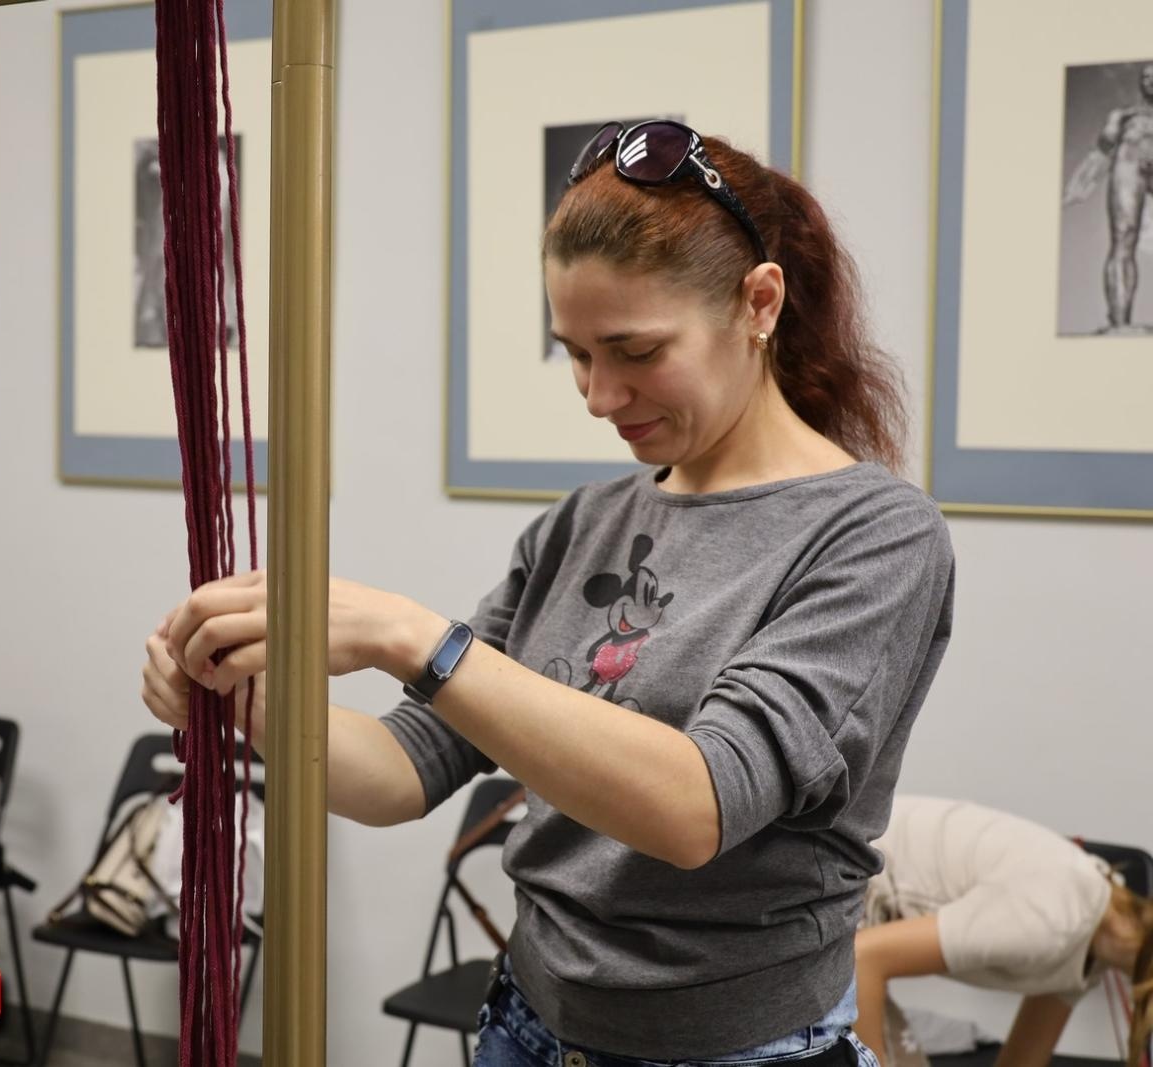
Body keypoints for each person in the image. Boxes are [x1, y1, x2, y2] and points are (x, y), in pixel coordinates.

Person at [142, 119, 956, 1066]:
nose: (599, 395)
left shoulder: (874, 534)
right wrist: (242, 698)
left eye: (636, 350)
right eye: (575, 351)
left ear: (759, 302)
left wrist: (414, 637)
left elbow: (697, 807)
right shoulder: (582, 523)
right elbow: (409, 767)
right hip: (528, 1027)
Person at [854, 795, 1153, 1067]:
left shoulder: (1094, 939)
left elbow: (1022, 1060)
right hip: (841, 884)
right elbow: (862, 958)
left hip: (856, 901)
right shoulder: (1055, 919)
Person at [1062, 63, 1153, 333]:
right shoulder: (1125, 116)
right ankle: (1120, 321)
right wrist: (1080, 183)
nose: (1150, 81)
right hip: (1129, 165)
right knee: (1123, 237)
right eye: (1145, 77)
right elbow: (1102, 150)